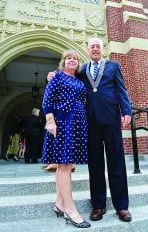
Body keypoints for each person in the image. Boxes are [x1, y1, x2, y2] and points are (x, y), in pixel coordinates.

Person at [48, 38, 132, 222]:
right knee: (95, 165)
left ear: (103, 49)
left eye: (98, 46)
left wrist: (126, 110)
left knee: (116, 162)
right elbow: (67, 76)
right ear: (88, 50)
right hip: (90, 122)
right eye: (92, 46)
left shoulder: (113, 66)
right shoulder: (82, 70)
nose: (95, 49)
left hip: (111, 120)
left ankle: (122, 206)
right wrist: (53, 75)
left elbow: (121, 89)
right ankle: (98, 206)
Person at [42, 50, 90, 228]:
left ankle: (59, 204)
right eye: (69, 58)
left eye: (75, 59)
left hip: (77, 122)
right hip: (61, 122)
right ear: (63, 62)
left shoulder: (79, 80)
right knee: (63, 165)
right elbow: (47, 100)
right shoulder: (57, 77)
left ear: (78, 64)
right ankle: (70, 210)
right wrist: (50, 121)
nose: (72, 60)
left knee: (67, 165)